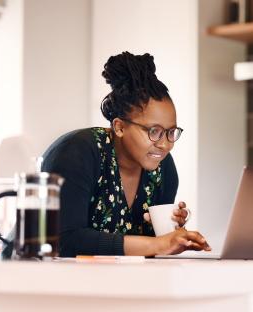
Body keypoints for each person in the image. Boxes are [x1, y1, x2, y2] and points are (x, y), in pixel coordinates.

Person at [41, 52, 210, 257]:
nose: (165, 144)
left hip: (115, 283)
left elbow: (151, 250)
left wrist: (170, 233)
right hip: (33, 279)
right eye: (153, 132)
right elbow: (65, 241)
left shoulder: (163, 168)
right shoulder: (77, 153)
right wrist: (158, 244)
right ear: (119, 127)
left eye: (171, 132)